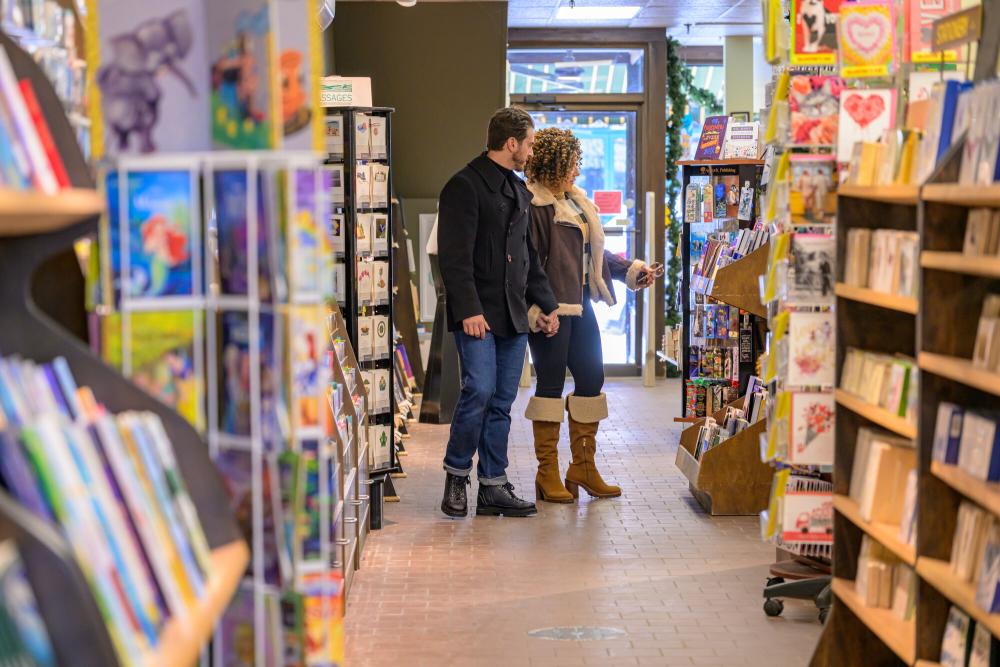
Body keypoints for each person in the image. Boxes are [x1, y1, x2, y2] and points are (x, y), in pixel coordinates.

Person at [437, 108, 561, 519]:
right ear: (511, 144)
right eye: (527, 142)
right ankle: (457, 476)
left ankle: (493, 486)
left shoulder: (519, 191)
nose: (530, 150)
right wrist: (468, 309)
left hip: (512, 315)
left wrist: (546, 305)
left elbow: (528, 258)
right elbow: (454, 258)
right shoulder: (463, 186)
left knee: (502, 401)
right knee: (479, 390)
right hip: (478, 315)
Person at [522, 127, 656, 503]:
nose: (576, 172)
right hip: (551, 309)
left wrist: (631, 270)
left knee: (592, 377)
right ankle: (546, 472)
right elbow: (527, 265)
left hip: (581, 303)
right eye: (571, 164)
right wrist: (537, 310)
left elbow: (593, 257)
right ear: (552, 165)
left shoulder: (577, 202)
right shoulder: (533, 206)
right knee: (549, 385)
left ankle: (582, 467)